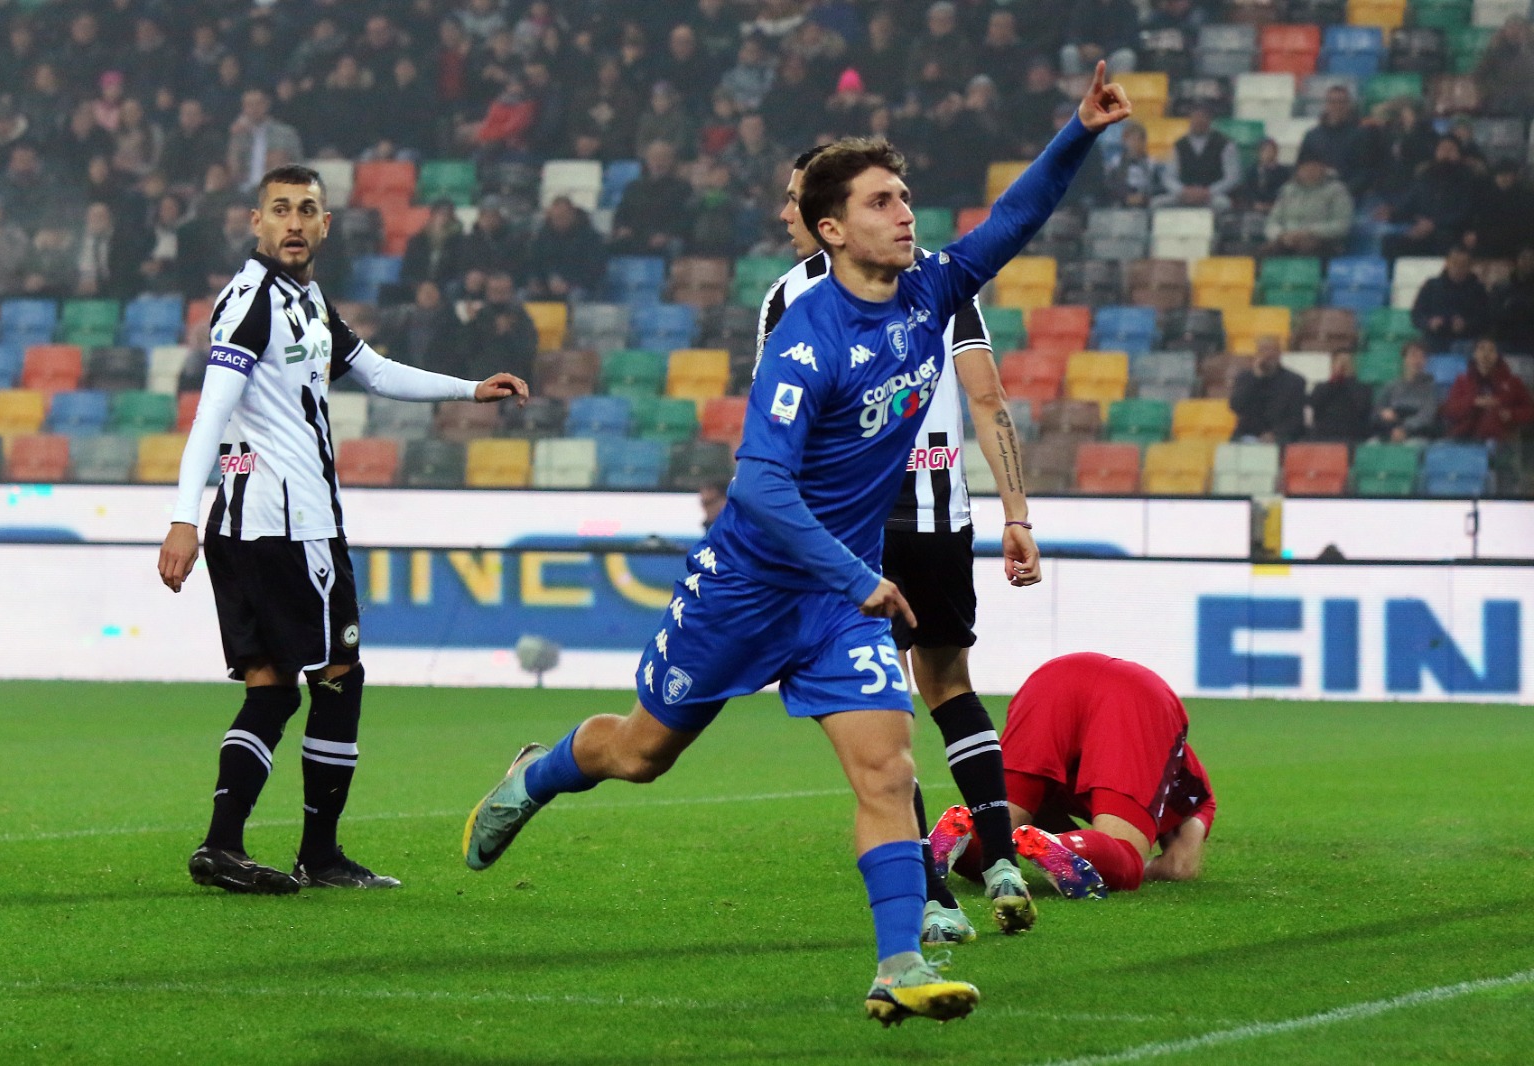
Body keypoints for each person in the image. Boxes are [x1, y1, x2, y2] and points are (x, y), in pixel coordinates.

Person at [461, 62, 1130, 1027]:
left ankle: (898, 962)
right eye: (881, 203)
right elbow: (759, 485)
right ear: (831, 230)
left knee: (888, 769)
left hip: (837, 603)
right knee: (643, 755)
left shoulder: (928, 292)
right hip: (748, 586)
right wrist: (859, 572)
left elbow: (1012, 224)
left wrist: (1079, 132)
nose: (907, 215)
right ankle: (539, 771)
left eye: (904, 198)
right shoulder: (807, 340)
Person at [157, 164, 529, 896]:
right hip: (286, 527)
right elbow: (210, 411)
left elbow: (378, 372)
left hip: (260, 525)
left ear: (326, 225)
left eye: (307, 210)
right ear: (255, 223)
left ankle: (223, 847)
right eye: (280, 210)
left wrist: (469, 389)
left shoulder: (307, 301)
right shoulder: (253, 302)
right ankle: (316, 855)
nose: (294, 223)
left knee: (272, 689)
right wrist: (178, 517)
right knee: (337, 678)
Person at [757, 146, 1042, 945]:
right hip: (942, 515)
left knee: (884, 709)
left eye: (791, 198)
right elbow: (987, 397)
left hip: (855, 534)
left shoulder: (790, 297)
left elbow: (778, 432)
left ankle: (930, 896)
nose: (783, 214)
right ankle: (1001, 861)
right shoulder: (941, 283)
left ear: (826, 213)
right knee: (950, 683)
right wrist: (1017, 511)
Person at [951, 652, 1215, 897]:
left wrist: (1056, 841)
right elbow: (1179, 867)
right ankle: (1071, 847)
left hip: (1052, 679)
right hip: (1136, 697)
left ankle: (954, 836)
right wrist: (1096, 852)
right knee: (1126, 855)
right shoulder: (1198, 797)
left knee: (995, 837)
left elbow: (1032, 822)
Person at [1441, 337, 1534, 444]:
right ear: (1474, 354)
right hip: (1466, 436)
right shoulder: (1462, 380)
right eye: (1481, 349)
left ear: (1497, 355)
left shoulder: (1513, 382)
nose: (1486, 354)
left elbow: (1530, 410)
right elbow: (1449, 410)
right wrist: (1473, 402)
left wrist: (1511, 414)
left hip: (1500, 438)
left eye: (1491, 350)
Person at [1260, 156, 1353, 257]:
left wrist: (1309, 232)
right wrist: (1281, 235)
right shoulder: (1288, 190)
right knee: (1263, 252)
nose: (1309, 172)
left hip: (1322, 241)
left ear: (1323, 168)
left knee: (1306, 249)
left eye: (1314, 168)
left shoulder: (1337, 190)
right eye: (1305, 168)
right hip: (1287, 239)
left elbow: (1342, 225)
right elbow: (1272, 222)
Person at [1155, 104, 1238, 211]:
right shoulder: (1179, 145)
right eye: (1195, 117)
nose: (1199, 121)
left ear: (1209, 120)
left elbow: (1232, 177)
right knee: (1157, 204)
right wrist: (1183, 191)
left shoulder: (1225, 145)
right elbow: (1168, 177)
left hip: (1212, 197)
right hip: (1184, 196)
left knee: (1223, 204)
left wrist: (1208, 192)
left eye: (1203, 117)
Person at [1411, 246, 1490, 353]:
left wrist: (1466, 325)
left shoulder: (1477, 289)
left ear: (1470, 266)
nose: (1458, 267)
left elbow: (1485, 318)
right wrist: (1429, 323)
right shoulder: (1431, 286)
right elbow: (1416, 314)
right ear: (1447, 263)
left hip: (1466, 340)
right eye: (1455, 263)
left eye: (1463, 264)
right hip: (1433, 339)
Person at [1230, 336, 1306, 444]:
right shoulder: (1245, 378)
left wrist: (1274, 434)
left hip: (1280, 436)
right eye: (1263, 350)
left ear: (1279, 353)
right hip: (1248, 434)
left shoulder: (1295, 381)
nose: (1268, 354)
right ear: (1257, 354)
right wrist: (1255, 379)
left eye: (1273, 350)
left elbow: (1296, 419)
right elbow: (1236, 406)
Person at [1372, 341, 1439, 443]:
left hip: (1417, 434)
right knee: (1372, 445)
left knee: (1412, 445)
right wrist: (1383, 413)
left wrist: (1404, 428)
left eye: (1422, 357)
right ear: (1404, 359)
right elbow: (1377, 410)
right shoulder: (1391, 386)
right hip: (1390, 431)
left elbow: (1426, 415)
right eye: (1413, 355)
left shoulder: (1430, 388)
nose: (1417, 360)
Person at [1308, 350, 1372, 444]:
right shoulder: (1321, 387)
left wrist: (1348, 379)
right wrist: (1335, 380)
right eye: (1338, 362)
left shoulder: (1363, 388)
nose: (1343, 366)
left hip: (1352, 437)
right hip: (1324, 437)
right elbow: (1315, 404)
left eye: (1346, 363)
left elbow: (1361, 406)